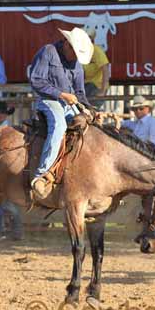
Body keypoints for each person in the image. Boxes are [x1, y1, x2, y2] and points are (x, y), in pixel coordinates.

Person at [29, 27, 92, 199]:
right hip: (47, 100)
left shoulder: (77, 64)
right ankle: (42, 174)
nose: (75, 58)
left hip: (69, 103)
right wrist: (62, 94)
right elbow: (36, 80)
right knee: (59, 125)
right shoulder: (48, 52)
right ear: (67, 44)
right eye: (75, 53)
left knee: (89, 129)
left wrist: (89, 110)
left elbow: (80, 93)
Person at [0, 101, 24, 242]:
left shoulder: (8, 130)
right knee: (4, 203)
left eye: (2, 113)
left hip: (4, 170)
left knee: (2, 203)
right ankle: (13, 232)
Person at [83, 30, 110, 104]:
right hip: (85, 85)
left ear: (90, 39)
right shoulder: (79, 51)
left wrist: (103, 91)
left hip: (96, 86)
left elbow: (105, 70)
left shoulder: (97, 51)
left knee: (90, 110)